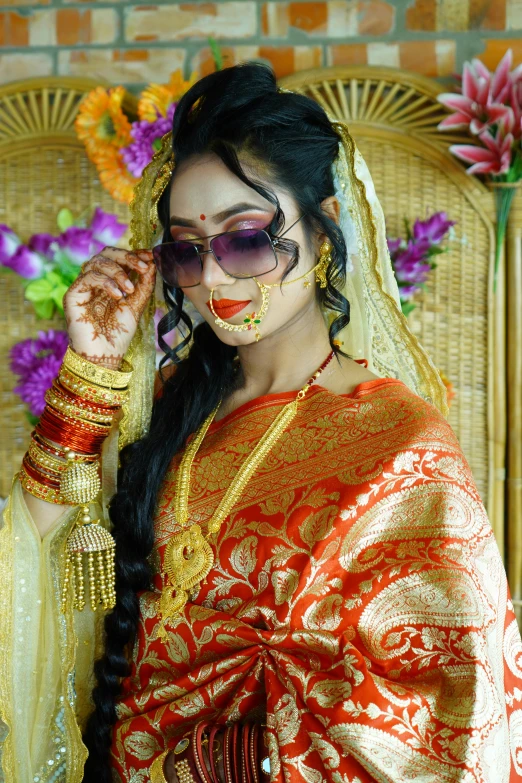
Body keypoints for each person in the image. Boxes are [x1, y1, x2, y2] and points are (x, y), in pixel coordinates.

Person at [1, 63, 521, 783]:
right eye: (185, 249)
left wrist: (228, 759)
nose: (213, 280)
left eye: (244, 240)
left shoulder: (401, 449)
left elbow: (457, 717)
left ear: (325, 230)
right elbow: (39, 567)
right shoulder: (170, 408)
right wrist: (91, 366)